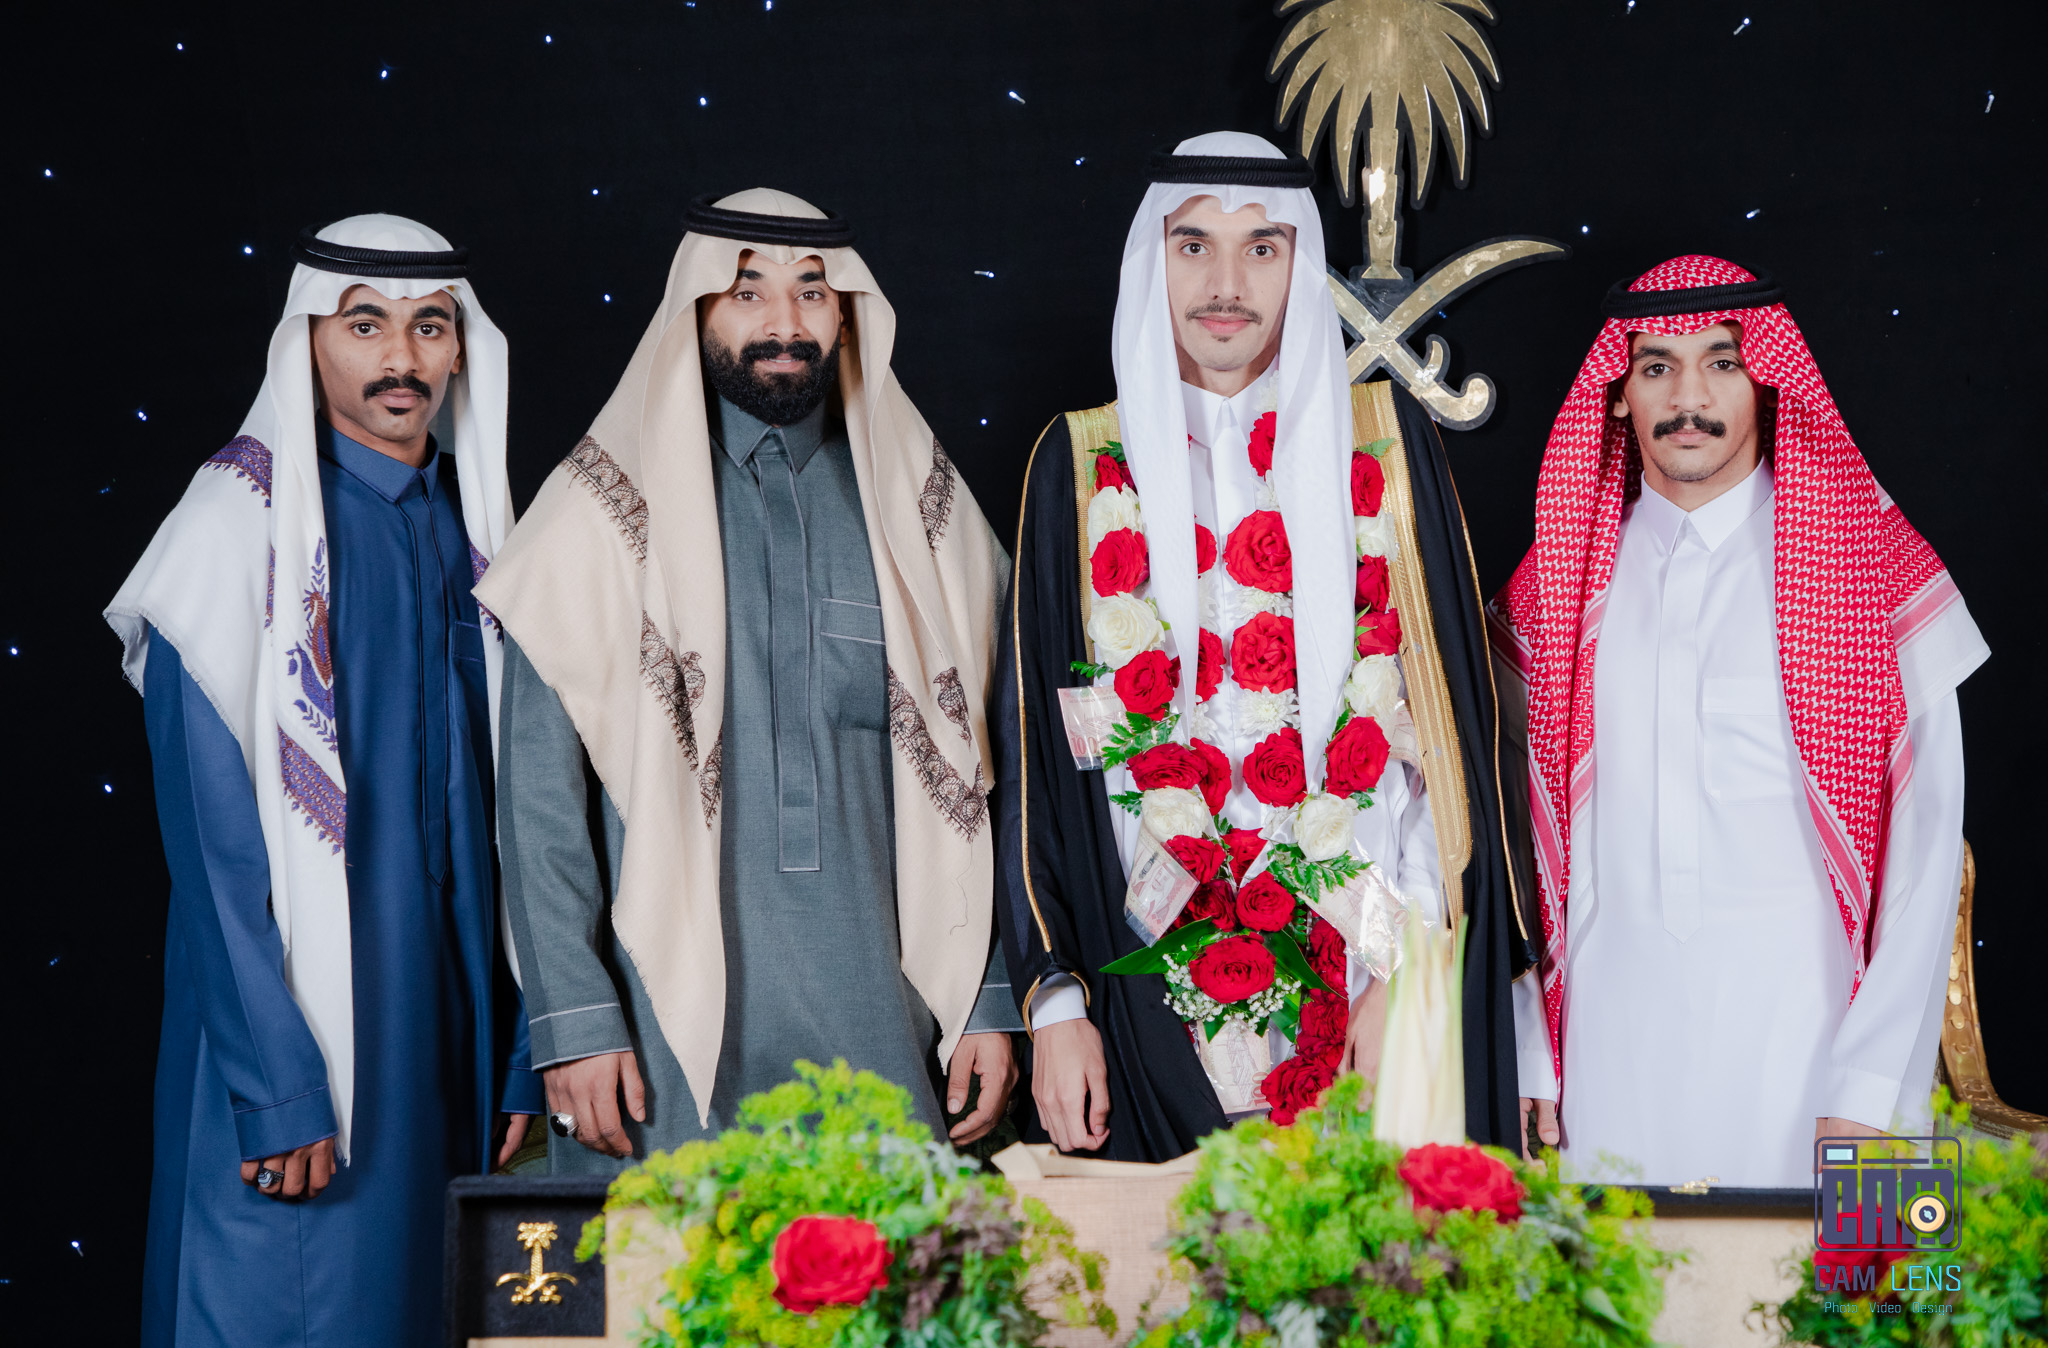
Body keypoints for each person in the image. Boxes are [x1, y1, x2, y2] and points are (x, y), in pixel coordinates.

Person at [997, 132, 1532, 1161]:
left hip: (1367, 991)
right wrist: (1055, 999)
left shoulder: (1384, 447)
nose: (1226, 286)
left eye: (1262, 248)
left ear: (1301, 265)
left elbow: (1443, 745)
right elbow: (1036, 764)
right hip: (1142, 991)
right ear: (1151, 261)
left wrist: (1403, 976)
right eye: (1193, 246)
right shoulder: (1078, 463)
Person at [476, 190, 1021, 1168]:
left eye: (810, 291)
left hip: (891, 1037)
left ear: (846, 310)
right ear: (695, 309)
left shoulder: (922, 514)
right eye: (747, 292)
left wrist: (987, 998)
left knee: (894, 1264)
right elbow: (538, 805)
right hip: (659, 1050)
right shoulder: (595, 521)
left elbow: (994, 778)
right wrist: (574, 1016)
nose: (783, 322)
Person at [107, 216, 539, 1348]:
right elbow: (212, 851)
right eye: (364, 325)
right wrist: (279, 1087)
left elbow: (526, 817)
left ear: (461, 347)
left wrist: (518, 1045)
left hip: (450, 1036)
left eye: (429, 325)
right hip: (296, 1051)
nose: (401, 356)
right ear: (306, 339)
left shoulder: (476, 531)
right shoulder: (230, 532)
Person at [1492, 255, 1987, 1186]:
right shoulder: (1557, 584)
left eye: (1721, 361)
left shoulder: (1868, 563)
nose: (1689, 397)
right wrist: (1526, 1043)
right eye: (1657, 366)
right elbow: (1513, 845)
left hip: (1822, 1053)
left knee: (1857, 1279)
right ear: (1618, 395)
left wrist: (1873, 1082)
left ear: (1766, 380)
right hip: (1607, 1054)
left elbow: (1926, 846)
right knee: (1612, 1282)